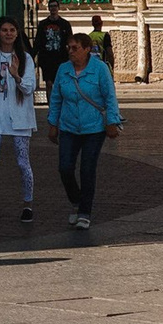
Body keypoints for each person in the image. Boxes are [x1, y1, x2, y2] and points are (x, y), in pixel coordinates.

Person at [45, 32, 120, 231]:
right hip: (69, 126)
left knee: (87, 169)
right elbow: (56, 98)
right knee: (65, 168)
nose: (70, 51)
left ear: (87, 49)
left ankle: (85, 212)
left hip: (93, 128)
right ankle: (77, 200)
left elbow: (109, 96)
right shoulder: (63, 69)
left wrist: (112, 121)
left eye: (75, 48)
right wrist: (53, 124)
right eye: (68, 48)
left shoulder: (99, 69)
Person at [0, 17, 37, 225]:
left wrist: (16, 76)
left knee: (22, 162)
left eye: (12, 29)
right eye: (4, 30)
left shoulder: (26, 59)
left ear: (17, 33)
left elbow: (29, 89)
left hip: (19, 116)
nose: (8, 33)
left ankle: (27, 204)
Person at [32, 4, 73, 88]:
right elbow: (38, 41)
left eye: (55, 6)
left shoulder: (65, 24)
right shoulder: (43, 24)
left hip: (61, 58)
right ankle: (50, 101)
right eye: (51, 6)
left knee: (61, 82)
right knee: (49, 83)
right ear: (48, 8)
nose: (53, 8)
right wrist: (32, 56)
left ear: (59, 8)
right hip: (47, 59)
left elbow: (70, 41)